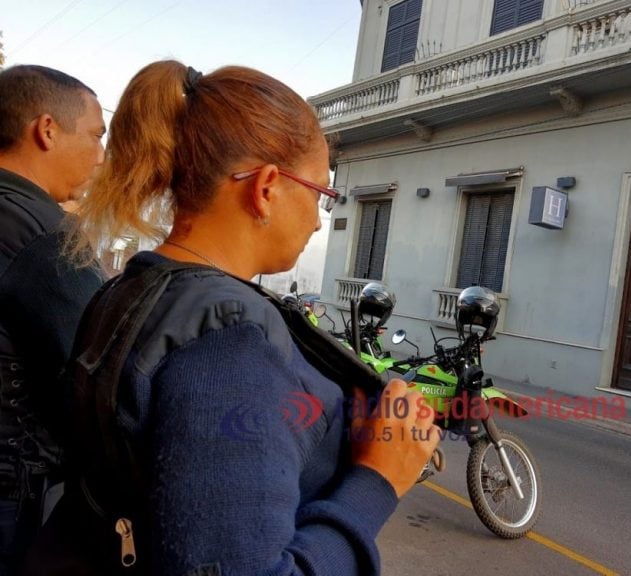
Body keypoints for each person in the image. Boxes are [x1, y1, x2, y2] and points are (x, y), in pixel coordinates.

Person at [53, 60, 439, 575]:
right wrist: (378, 480)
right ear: (267, 188)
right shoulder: (232, 340)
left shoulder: (128, 289)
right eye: (322, 193)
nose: (319, 218)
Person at [0, 65, 106, 573]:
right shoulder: (45, 235)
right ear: (46, 130)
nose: (100, 156)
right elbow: (99, 374)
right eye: (95, 136)